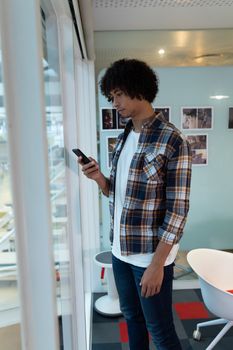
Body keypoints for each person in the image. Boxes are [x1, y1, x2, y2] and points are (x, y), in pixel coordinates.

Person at [78, 58, 192, 350]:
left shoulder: (173, 140)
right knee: (132, 319)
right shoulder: (125, 135)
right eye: (111, 96)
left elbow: (177, 212)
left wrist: (157, 265)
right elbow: (118, 194)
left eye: (119, 94)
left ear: (139, 89)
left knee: (161, 330)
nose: (114, 102)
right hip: (120, 251)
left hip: (148, 259)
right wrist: (100, 178)